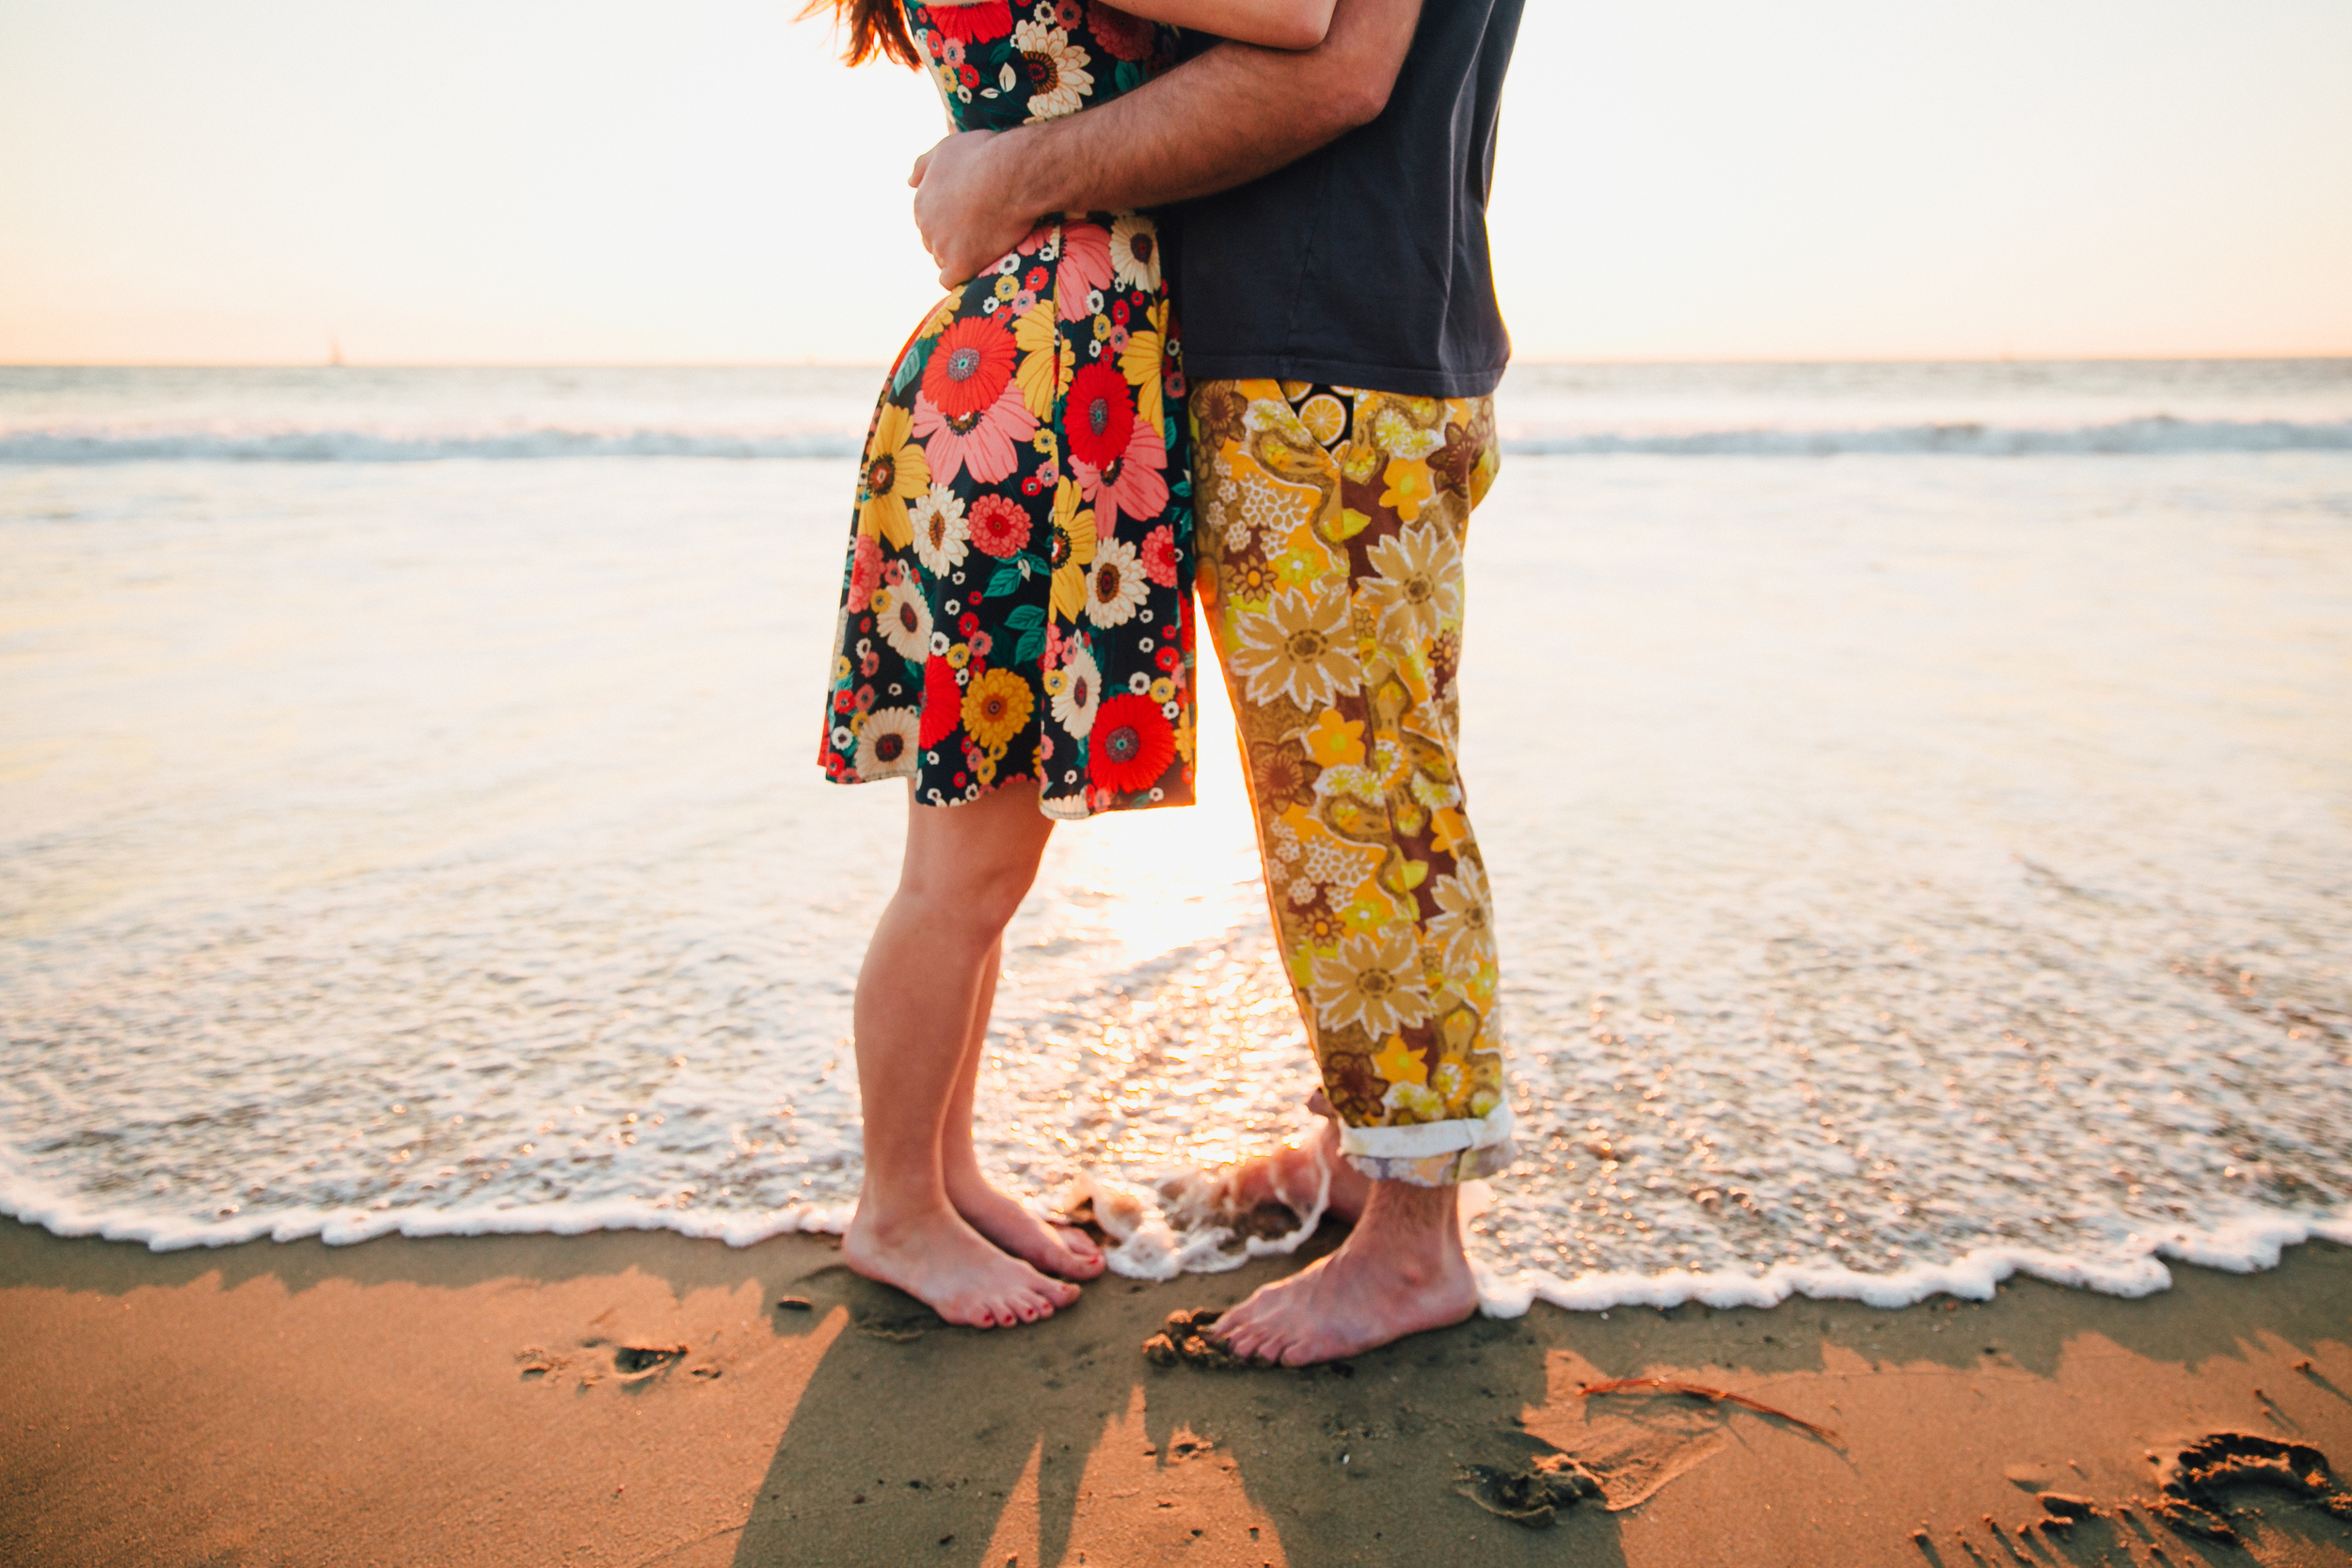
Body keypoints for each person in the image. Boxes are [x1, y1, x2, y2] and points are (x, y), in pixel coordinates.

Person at [910, 0, 1525, 1363]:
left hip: (1326, 359)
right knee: (1345, 793)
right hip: (1338, 344)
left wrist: (1006, 172)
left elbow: (1336, 70)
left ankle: (1415, 1249)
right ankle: (1360, 1156)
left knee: (1363, 812)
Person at [811, 0, 1351, 1332]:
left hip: (1049, 378)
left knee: (980, 863)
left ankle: (941, 1176)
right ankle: (893, 1211)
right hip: (1032, 398)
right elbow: (1296, 11)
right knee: (963, 868)